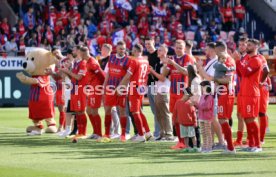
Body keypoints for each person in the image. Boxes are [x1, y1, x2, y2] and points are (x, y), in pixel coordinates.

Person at [197, 41, 236, 154]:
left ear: (218, 50)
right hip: (222, 93)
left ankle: (229, 147)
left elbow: (227, 79)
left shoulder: (226, 60)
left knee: (222, 120)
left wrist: (213, 79)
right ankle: (227, 146)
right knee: (221, 119)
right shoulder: (225, 60)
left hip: (224, 93)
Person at [117, 44, 153, 142]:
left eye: (133, 50)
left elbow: (128, 75)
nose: (132, 51)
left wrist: (120, 86)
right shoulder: (145, 60)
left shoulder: (134, 61)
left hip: (135, 87)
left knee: (135, 112)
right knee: (139, 111)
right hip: (142, 87)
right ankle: (148, 133)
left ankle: (141, 135)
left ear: (136, 50)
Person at [162, 40, 194, 149]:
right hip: (173, 91)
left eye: (180, 48)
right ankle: (180, 142)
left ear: (184, 49)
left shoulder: (187, 58)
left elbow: (186, 72)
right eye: (177, 47)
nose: (178, 49)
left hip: (183, 93)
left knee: (183, 118)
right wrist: (164, 61)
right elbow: (165, 74)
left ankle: (188, 142)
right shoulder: (172, 59)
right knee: (175, 118)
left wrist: (173, 64)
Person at [235, 39, 263, 152]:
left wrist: (237, 61)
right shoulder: (247, 58)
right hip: (244, 92)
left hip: (251, 93)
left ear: (257, 46)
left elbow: (246, 72)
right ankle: (251, 144)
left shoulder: (257, 60)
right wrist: (238, 62)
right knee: (246, 118)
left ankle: (257, 145)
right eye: (247, 44)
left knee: (251, 118)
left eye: (250, 45)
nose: (247, 46)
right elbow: (240, 73)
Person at [101, 41, 131, 142]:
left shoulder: (128, 60)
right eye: (120, 48)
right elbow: (108, 72)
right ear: (116, 49)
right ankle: (107, 133)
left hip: (121, 89)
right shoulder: (112, 57)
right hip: (110, 87)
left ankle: (123, 134)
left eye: (123, 48)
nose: (122, 50)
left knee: (122, 111)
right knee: (108, 110)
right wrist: (104, 86)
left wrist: (124, 87)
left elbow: (128, 76)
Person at [197, 42, 225, 150]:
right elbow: (204, 77)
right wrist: (200, 68)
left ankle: (221, 142)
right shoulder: (211, 62)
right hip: (207, 92)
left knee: (213, 118)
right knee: (210, 118)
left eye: (207, 49)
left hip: (212, 93)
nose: (205, 51)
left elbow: (209, 78)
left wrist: (200, 68)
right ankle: (211, 142)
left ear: (212, 50)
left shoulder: (215, 63)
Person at [60, 45, 88, 140]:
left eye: (75, 50)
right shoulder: (76, 63)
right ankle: (79, 132)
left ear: (79, 51)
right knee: (77, 111)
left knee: (81, 111)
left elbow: (79, 77)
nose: (73, 52)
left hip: (80, 90)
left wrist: (68, 71)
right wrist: (67, 72)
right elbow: (73, 77)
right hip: (74, 89)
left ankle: (83, 132)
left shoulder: (83, 63)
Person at [150, 44, 174, 141]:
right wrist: (152, 73)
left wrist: (152, 71)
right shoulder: (158, 63)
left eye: (160, 50)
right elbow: (156, 78)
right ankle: (162, 133)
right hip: (157, 89)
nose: (158, 52)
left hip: (164, 89)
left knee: (165, 112)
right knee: (159, 112)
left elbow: (162, 78)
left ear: (165, 52)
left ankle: (169, 133)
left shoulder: (167, 63)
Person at [81, 47, 105, 140]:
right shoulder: (87, 62)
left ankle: (99, 133)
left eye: (80, 54)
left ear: (83, 54)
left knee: (94, 111)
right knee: (88, 110)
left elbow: (102, 75)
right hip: (91, 88)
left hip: (96, 88)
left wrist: (101, 87)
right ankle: (95, 132)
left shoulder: (92, 63)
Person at [232, 37, 248, 146]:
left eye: (243, 44)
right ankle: (239, 139)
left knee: (248, 116)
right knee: (239, 115)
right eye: (240, 44)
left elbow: (245, 73)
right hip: (239, 91)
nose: (241, 47)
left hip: (247, 91)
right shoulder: (240, 58)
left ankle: (250, 138)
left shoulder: (249, 58)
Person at [144, 37, 161, 138]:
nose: (147, 46)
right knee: (154, 111)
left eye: (149, 44)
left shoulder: (157, 54)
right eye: (146, 44)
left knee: (157, 111)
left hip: (156, 85)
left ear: (153, 43)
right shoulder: (149, 56)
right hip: (150, 85)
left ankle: (158, 133)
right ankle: (159, 132)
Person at [173, 88, 198, 152]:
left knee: (192, 136)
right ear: (184, 94)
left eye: (190, 96)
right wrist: (173, 121)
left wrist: (195, 122)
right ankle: (187, 147)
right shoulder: (178, 102)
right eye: (189, 96)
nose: (189, 97)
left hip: (190, 123)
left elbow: (193, 114)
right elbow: (175, 112)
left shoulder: (190, 103)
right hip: (182, 123)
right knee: (185, 136)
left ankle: (195, 147)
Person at [197, 81, 214, 153]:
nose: (202, 88)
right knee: (203, 133)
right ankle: (204, 146)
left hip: (207, 117)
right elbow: (200, 106)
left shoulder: (210, 97)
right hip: (201, 117)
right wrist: (196, 105)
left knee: (208, 132)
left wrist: (199, 106)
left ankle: (209, 147)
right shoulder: (202, 96)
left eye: (203, 87)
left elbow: (207, 107)